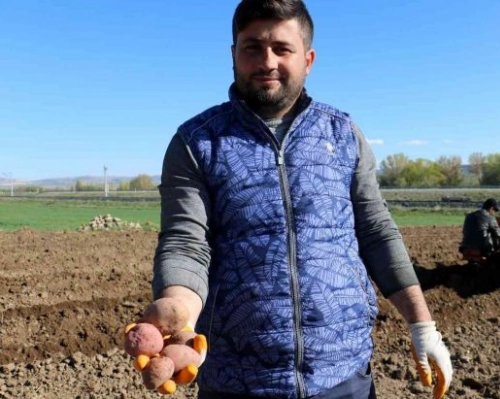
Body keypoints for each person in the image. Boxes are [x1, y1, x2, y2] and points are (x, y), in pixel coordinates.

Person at [142, 1, 453, 398]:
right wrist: (179, 311)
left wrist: (421, 325)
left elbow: (376, 231)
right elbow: (187, 242)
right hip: (237, 380)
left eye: (281, 49)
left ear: (308, 58)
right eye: (251, 47)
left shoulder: (341, 134)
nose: (266, 61)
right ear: (233, 54)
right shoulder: (198, 142)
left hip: (344, 376)